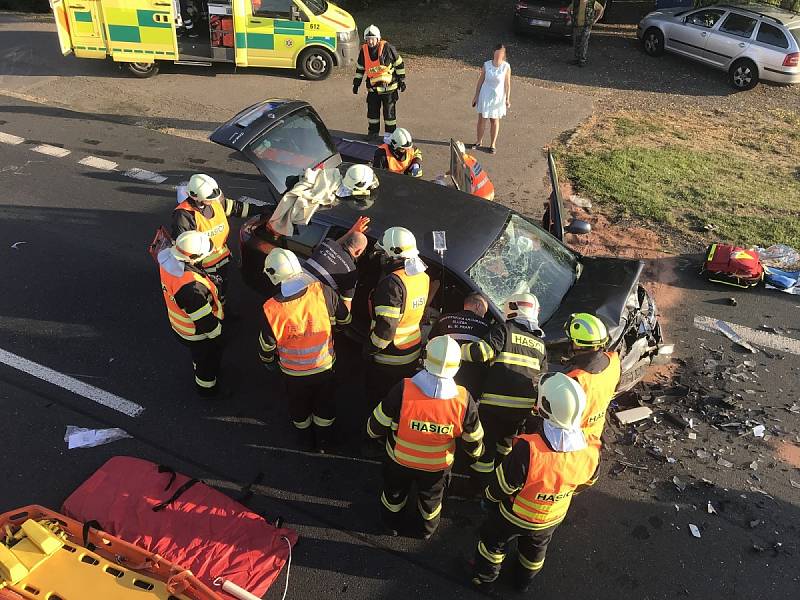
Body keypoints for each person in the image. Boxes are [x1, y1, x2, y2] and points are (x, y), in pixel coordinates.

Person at [471, 372, 599, 592]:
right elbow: (588, 481)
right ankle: (523, 582)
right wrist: (561, 493)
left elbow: (503, 485)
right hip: (552, 517)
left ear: (544, 406)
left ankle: (484, 579)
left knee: (493, 542)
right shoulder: (591, 448)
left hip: (515, 514)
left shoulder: (529, 450)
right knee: (535, 551)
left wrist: (488, 498)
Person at [367, 335, 485, 538]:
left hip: (399, 460)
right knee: (431, 502)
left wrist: (371, 437)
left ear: (425, 358)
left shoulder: (404, 389)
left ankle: (390, 525)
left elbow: (376, 424)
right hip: (437, 467)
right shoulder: (464, 400)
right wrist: (475, 455)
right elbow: (473, 439)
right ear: (457, 365)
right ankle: (426, 530)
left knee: (394, 495)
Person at [259, 248, 351, 453]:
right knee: (325, 405)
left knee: (299, 407)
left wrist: (267, 361)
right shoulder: (323, 291)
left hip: (293, 374)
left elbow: (267, 345)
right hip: (324, 366)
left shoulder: (271, 308)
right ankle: (324, 443)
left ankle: (304, 440)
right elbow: (345, 320)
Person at [461, 293, 547, 484]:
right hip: (521, 411)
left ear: (513, 308)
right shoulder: (540, 344)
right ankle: (499, 476)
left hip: (494, 406)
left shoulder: (505, 330)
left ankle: (478, 484)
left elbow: (479, 353)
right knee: (506, 445)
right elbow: (542, 379)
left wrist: (454, 350)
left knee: (487, 445)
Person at [172, 173, 266, 303]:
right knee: (208, 293)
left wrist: (263, 210)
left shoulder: (214, 201)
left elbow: (236, 208)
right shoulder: (184, 215)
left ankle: (223, 307)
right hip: (203, 267)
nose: (213, 200)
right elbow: (184, 247)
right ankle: (217, 313)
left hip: (222, 259)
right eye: (209, 198)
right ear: (196, 197)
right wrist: (196, 271)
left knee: (222, 289)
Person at [364, 226, 430, 405]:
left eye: (383, 254)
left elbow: (386, 330)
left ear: (393, 254)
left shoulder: (392, 284)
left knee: (383, 401)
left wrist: (369, 349)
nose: (382, 258)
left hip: (389, 358)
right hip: (412, 350)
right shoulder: (422, 276)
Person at [158, 230, 224, 398]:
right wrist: (218, 334)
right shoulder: (191, 289)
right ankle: (207, 389)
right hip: (196, 333)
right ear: (192, 257)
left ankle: (198, 365)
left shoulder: (168, 262)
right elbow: (205, 321)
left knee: (199, 356)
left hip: (180, 326)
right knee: (206, 362)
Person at [563, 313, 621, 450]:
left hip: (574, 442)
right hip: (595, 433)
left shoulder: (575, 379)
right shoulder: (614, 360)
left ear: (577, 344)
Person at [428, 293, 492, 399]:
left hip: (440, 378)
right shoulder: (486, 326)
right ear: (478, 306)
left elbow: (430, 344)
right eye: (484, 311)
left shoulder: (444, 319)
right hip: (470, 383)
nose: (484, 315)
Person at [304, 217, 370, 311]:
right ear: (359, 252)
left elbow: (335, 244)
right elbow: (346, 304)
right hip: (309, 302)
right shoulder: (350, 271)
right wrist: (345, 321)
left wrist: (351, 231)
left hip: (291, 287)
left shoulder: (326, 243)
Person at [353, 25, 406, 138]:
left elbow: (399, 64)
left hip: (389, 89)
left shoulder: (388, 48)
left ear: (378, 38)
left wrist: (401, 79)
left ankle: (390, 135)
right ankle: (373, 133)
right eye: (368, 39)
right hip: (373, 89)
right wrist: (356, 84)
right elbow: (360, 68)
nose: (370, 42)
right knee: (372, 113)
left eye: (372, 39)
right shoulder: (364, 51)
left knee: (389, 114)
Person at [471, 44, 510, 155]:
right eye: (497, 52)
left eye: (501, 53)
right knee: (482, 119)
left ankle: (493, 144)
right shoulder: (487, 65)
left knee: (494, 120)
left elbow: (507, 84)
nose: (498, 55)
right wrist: (476, 96)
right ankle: (478, 141)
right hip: (485, 95)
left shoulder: (506, 67)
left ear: (503, 54)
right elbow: (480, 81)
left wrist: (508, 98)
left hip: (498, 97)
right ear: (494, 53)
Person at [571, 0, 605, 67]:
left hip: (587, 26)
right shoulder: (576, 2)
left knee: (584, 43)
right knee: (576, 42)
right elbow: (569, 10)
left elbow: (601, 9)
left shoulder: (592, 2)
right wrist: (571, 17)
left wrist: (595, 19)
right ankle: (576, 59)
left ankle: (582, 60)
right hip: (577, 26)